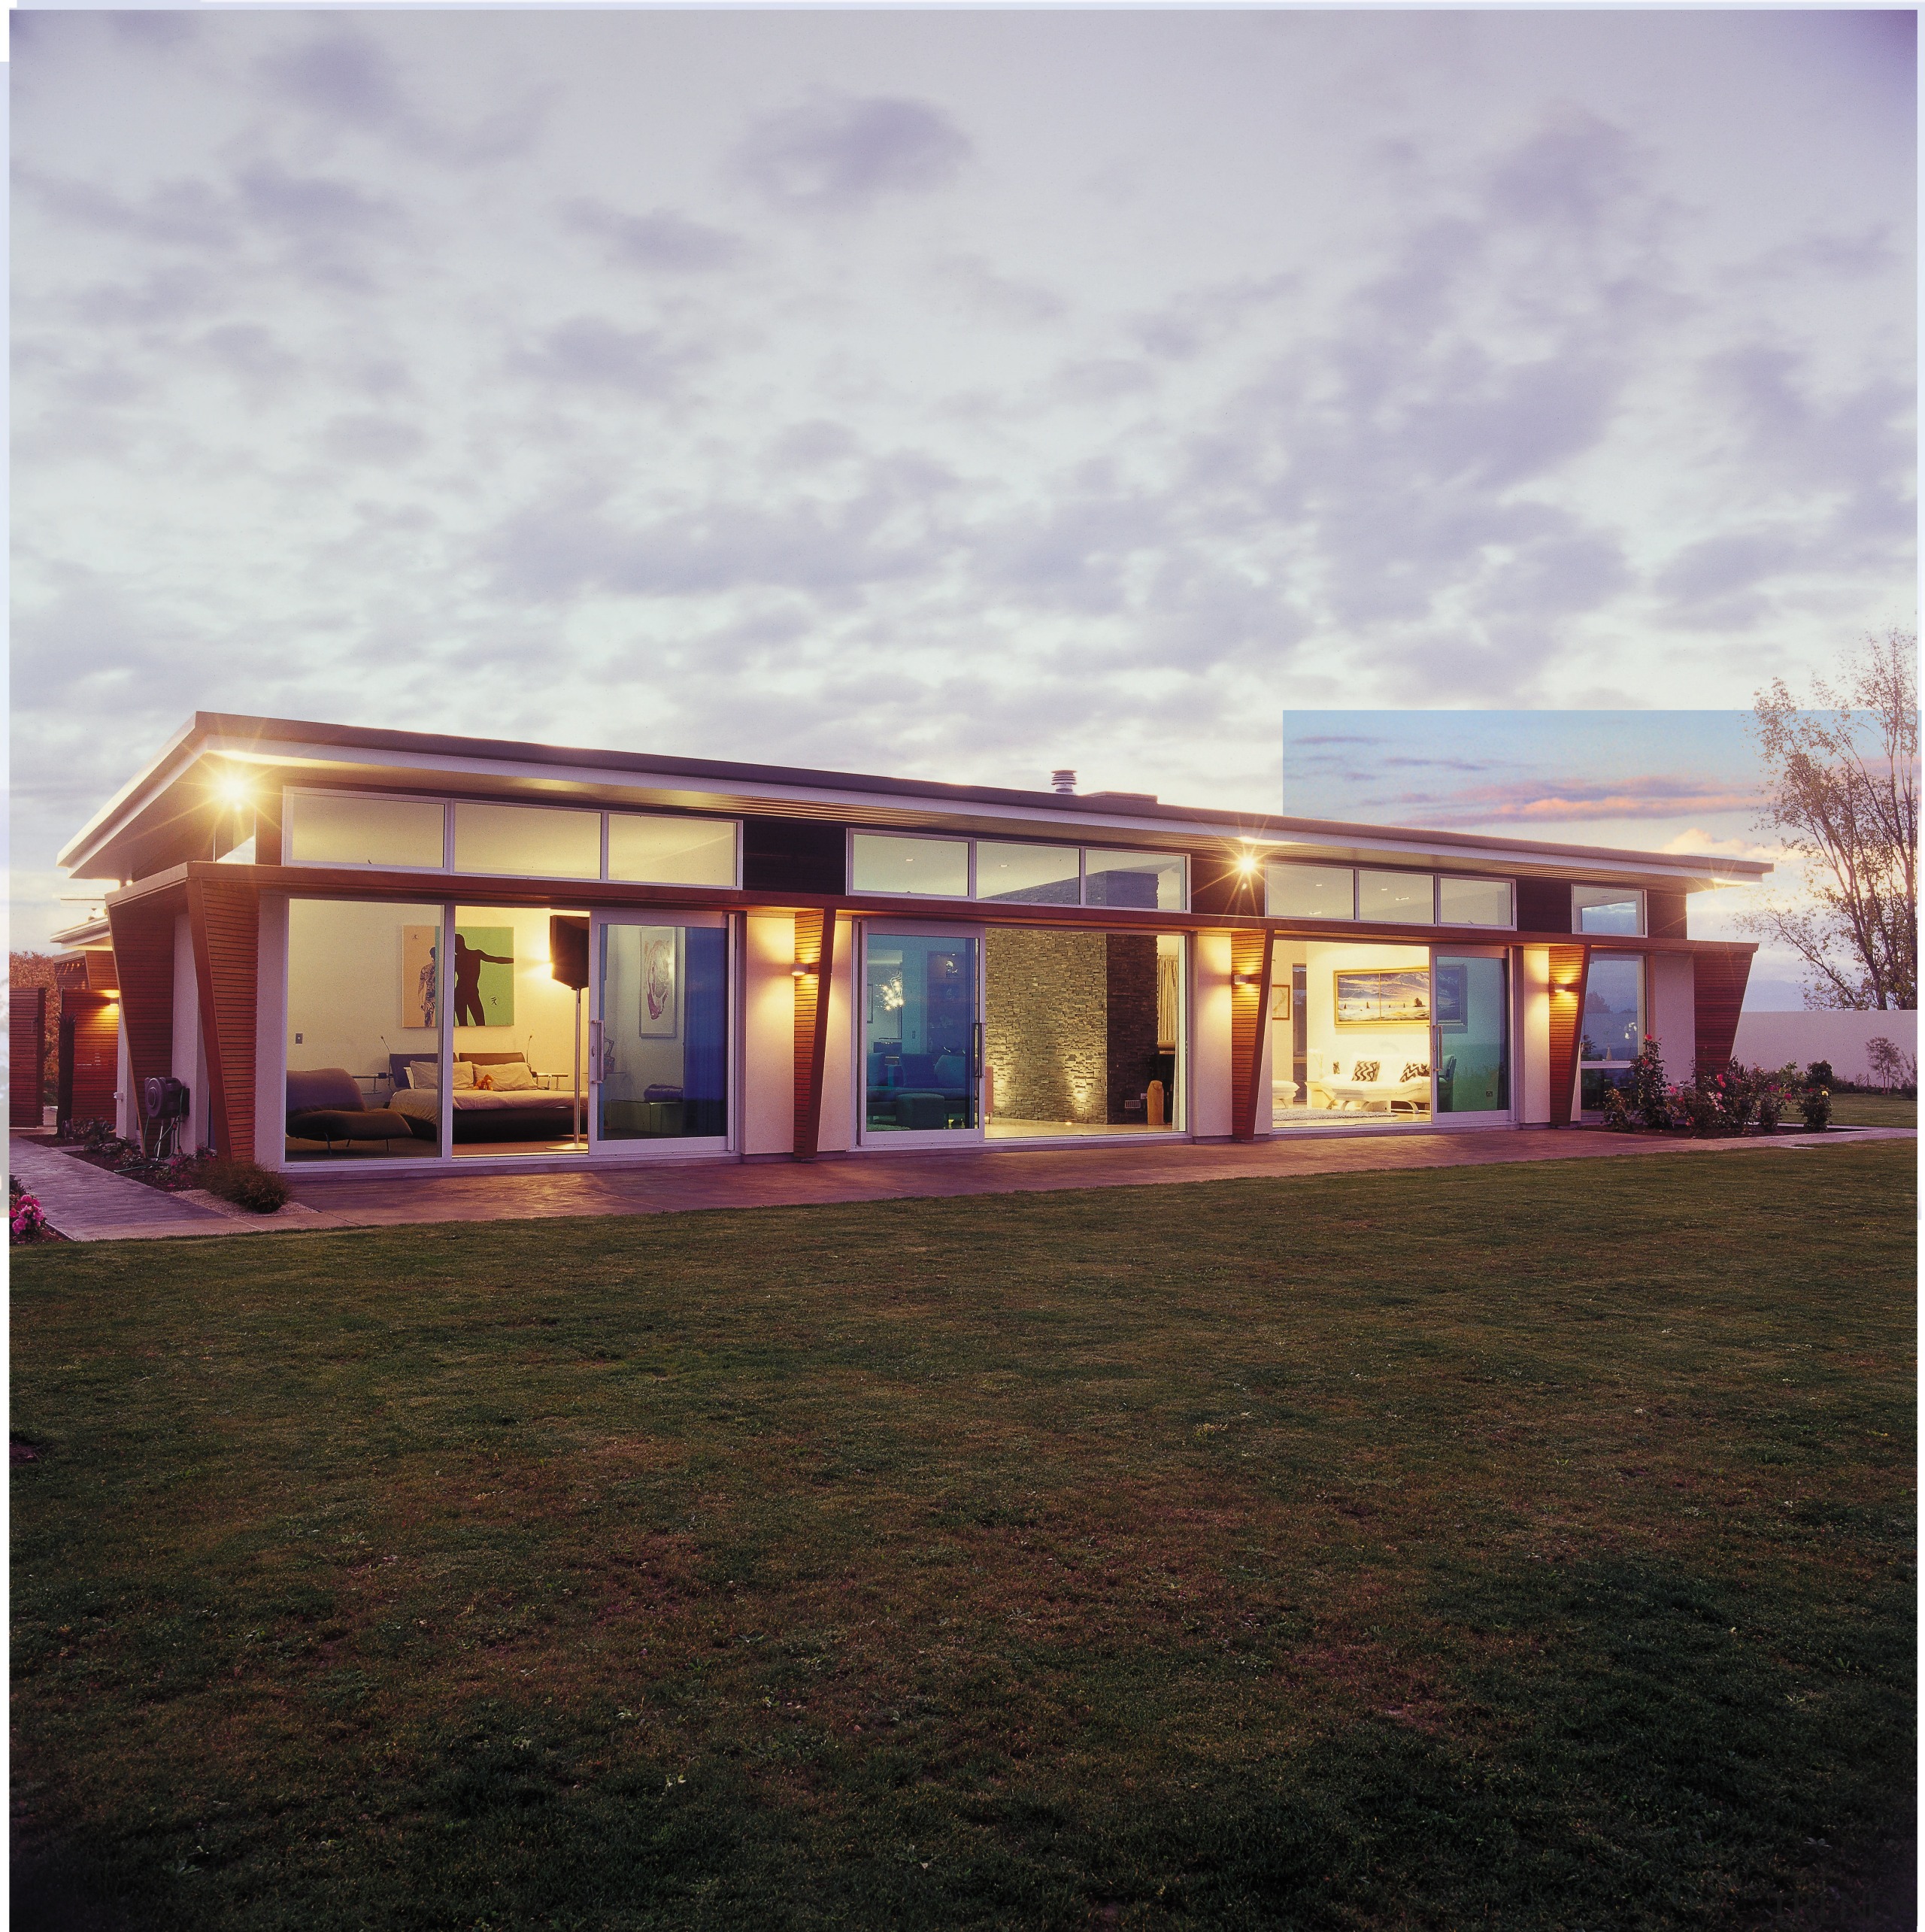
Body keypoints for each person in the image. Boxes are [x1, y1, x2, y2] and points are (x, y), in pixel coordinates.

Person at [453, 932, 513, 1027]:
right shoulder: (474, 954)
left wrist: (514, 960)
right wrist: (514, 960)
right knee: (478, 1024)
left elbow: (496, 959)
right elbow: (496, 959)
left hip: (462, 993)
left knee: (467, 1025)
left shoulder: (459, 958)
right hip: (468, 992)